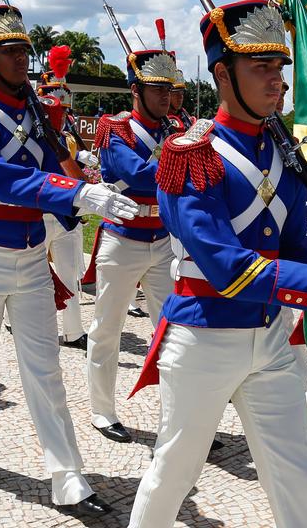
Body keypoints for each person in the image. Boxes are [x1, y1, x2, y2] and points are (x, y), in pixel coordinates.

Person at [126, 0, 307, 528]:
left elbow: (297, 240)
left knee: (296, 474)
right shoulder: (191, 154)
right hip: (204, 338)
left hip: (274, 340)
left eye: (280, 67)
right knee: (176, 470)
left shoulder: (282, 151)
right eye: (261, 67)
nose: (277, 80)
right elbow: (227, 268)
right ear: (222, 74)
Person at [0, 0, 132, 514]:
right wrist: (72, 194)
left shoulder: (42, 112)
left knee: (45, 370)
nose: (22, 59)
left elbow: (54, 169)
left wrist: (88, 186)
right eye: (9, 51)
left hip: (30, 252)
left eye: (25, 49)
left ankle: (67, 476)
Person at [86, 33, 180, 444]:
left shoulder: (177, 128)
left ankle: (177, 418)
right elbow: (139, 174)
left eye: (169, 88)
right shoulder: (116, 127)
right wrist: (178, 156)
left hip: (163, 239)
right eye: (157, 88)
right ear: (136, 89)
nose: (166, 96)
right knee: (108, 327)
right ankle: (102, 410)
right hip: (123, 237)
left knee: (172, 332)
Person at [36, 51, 97, 350]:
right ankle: (20, 324)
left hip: (66, 213)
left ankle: (73, 330)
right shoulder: (30, 131)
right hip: (39, 213)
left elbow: (73, 159)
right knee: (30, 277)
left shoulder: (67, 131)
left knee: (70, 274)